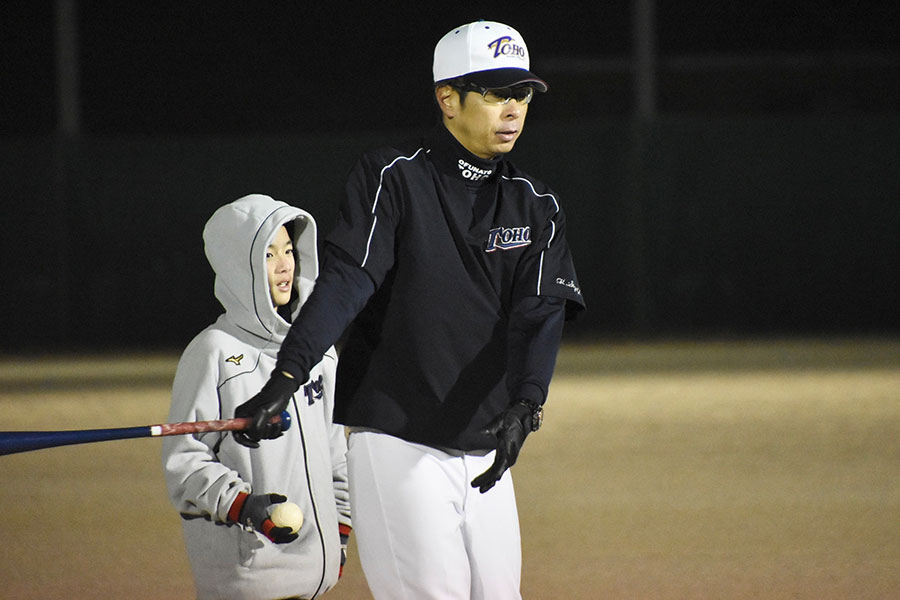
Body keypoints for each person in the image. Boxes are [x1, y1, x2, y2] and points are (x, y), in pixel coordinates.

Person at [233, 20, 584, 599]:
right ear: (448, 99)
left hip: (486, 445)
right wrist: (287, 377)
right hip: (399, 441)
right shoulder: (394, 177)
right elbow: (348, 280)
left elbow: (539, 315)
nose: (513, 109)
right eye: (495, 93)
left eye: (521, 94)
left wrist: (527, 404)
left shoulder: (535, 205)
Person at [161, 194, 352, 600]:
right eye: (268, 254)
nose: (286, 265)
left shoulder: (319, 350)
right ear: (238, 266)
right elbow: (186, 461)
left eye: (289, 250)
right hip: (249, 576)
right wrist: (243, 506)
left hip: (316, 574)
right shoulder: (213, 352)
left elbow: (337, 453)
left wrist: (339, 533)